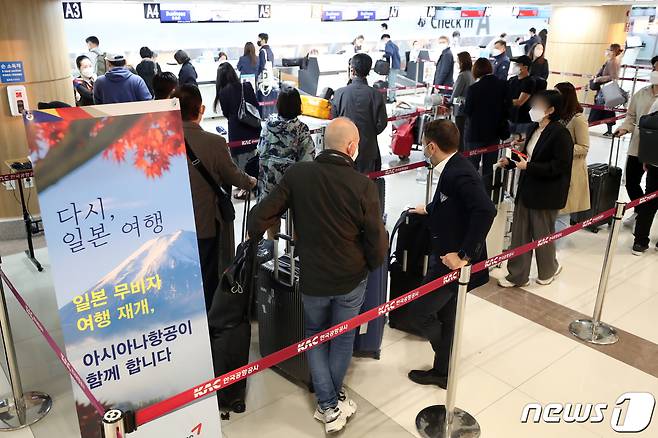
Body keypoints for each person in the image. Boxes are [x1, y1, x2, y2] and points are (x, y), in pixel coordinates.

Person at [247, 117, 387, 434]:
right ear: (352, 147)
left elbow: (260, 216)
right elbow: (377, 243)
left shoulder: (299, 175)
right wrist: (369, 265)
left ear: (324, 142)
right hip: (351, 278)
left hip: (312, 277)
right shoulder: (363, 186)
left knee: (314, 335)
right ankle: (330, 402)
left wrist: (260, 236)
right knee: (341, 338)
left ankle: (328, 403)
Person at [406, 119, 496, 389]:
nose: (423, 149)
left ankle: (445, 352)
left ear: (431, 146)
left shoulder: (459, 173)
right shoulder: (453, 165)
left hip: (451, 262)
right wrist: (430, 208)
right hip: (446, 255)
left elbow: (485, 211)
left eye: (423, 145)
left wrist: (464, 255)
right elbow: (453, 202)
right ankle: (443, 369)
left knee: (419, 313)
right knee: (447, 314)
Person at [176, 84, 257, 311]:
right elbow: (233, 175)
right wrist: (250, 181)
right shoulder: (214, 143)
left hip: (171, 228)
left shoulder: (160, 144)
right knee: (207, 273)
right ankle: (208, 324)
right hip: (204, 223)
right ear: (201, 109)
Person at [497, 90, 574, 288]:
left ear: (550, 110)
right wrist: (512, 162)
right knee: (520, 233)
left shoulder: (560, 134)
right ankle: (517, 275)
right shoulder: (534, 128)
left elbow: (559, 167)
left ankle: (548, 270)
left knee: (542, 234)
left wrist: (528, 167)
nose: (533, 109)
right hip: (526, 189)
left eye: (538, 106)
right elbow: (527, 157)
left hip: (546, 193)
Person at [257, 86, 316, 239]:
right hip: (292, 187)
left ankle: (272, 253)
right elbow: (308, 161)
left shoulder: (267, 126)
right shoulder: (301, 129)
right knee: (299, 221)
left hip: (268, 185)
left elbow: (260, 150)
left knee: (271, 222)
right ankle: (295, 254)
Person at [614, 55, 658, 254]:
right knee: (632, 182)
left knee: (652, 193)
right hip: (638, 147)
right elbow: (631, 117)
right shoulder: (642, 93)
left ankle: (643, 225)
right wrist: (624, 128)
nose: (656, 71)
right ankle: (640, 216)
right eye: (655, 67)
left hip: (655, 153)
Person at [331, 53, 388, 173]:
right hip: (368, 149)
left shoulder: (339, 93)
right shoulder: (376, 95)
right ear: (368, 71)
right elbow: (382, 123)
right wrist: (370, 133)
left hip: (344, 149)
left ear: (352, 70)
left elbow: (334, 120)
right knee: (366, 186)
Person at [215, 62, 261, 199]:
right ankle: (251, 182)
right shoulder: (246, 86)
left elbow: (226, 112)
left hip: (236, 129)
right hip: (252, 126)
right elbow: (255, 105)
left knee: (239, 159)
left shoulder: (223, 92)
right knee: (251, 156)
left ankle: (246, 187)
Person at [464, 58, 509, 195]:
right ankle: (486, 195)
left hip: (476, 133)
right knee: (490, 168)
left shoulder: (474, 89)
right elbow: (507, 108)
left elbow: (468, 111)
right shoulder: (503, 85)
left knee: (472, 166)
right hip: (494, 134)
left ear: (476, 70)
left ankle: (471, 194)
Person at [555, 82, 590, 216]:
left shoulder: (578, 119)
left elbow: (584, 147)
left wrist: (561, 149)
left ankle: (559, 238)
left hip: (571, 169)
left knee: (563, 212)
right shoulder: (558, 116)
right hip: (556, 167)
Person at [589, 43, 624, 137]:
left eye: (609, 49)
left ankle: (589, 125)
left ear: (613, 51)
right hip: (606, 88)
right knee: (607, 110)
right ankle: (608, 130)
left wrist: (598, 79)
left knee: (602, 108)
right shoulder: (611, 61)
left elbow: (613, 76)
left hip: (607, 89)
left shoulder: (613, 62)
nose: (607, 51)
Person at [507, 55, 536, 138]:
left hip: (523, 121)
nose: (515, 67)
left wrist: (505, 101)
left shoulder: (529, 82)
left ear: (525, 67)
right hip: (510, 118)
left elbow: (520, 102)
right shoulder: (512, 80)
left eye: (517, 65)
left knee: (519, 146)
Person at [451, 52, 474, 152]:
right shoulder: (471, 74)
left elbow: (455, 95)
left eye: (458, 61)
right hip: (467, 108)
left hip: (460, 109)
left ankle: (460, 155)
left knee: (459, 134)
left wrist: (449, 102)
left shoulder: (462, 76)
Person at [256, 33, 277, 117]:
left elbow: (261, 66)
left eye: (259, 39)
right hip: (270, 78)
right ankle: (269, 114)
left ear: (263, 40)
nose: (258, 41)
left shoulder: (262, 51)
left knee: (262, 96)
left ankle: (263, 115)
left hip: (263, 79)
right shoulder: (270, 51)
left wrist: (257, 75)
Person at [381, 34, 401, 102]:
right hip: (397, 65)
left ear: (385, 38)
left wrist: (383, 55)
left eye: (383, 40)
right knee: (393, 82)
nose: (383, 41)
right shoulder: (394, 45)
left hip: (392, 66)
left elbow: (389, 53)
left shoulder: (388, 44)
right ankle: (394, 97)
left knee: (391, 83)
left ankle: (391, 99)